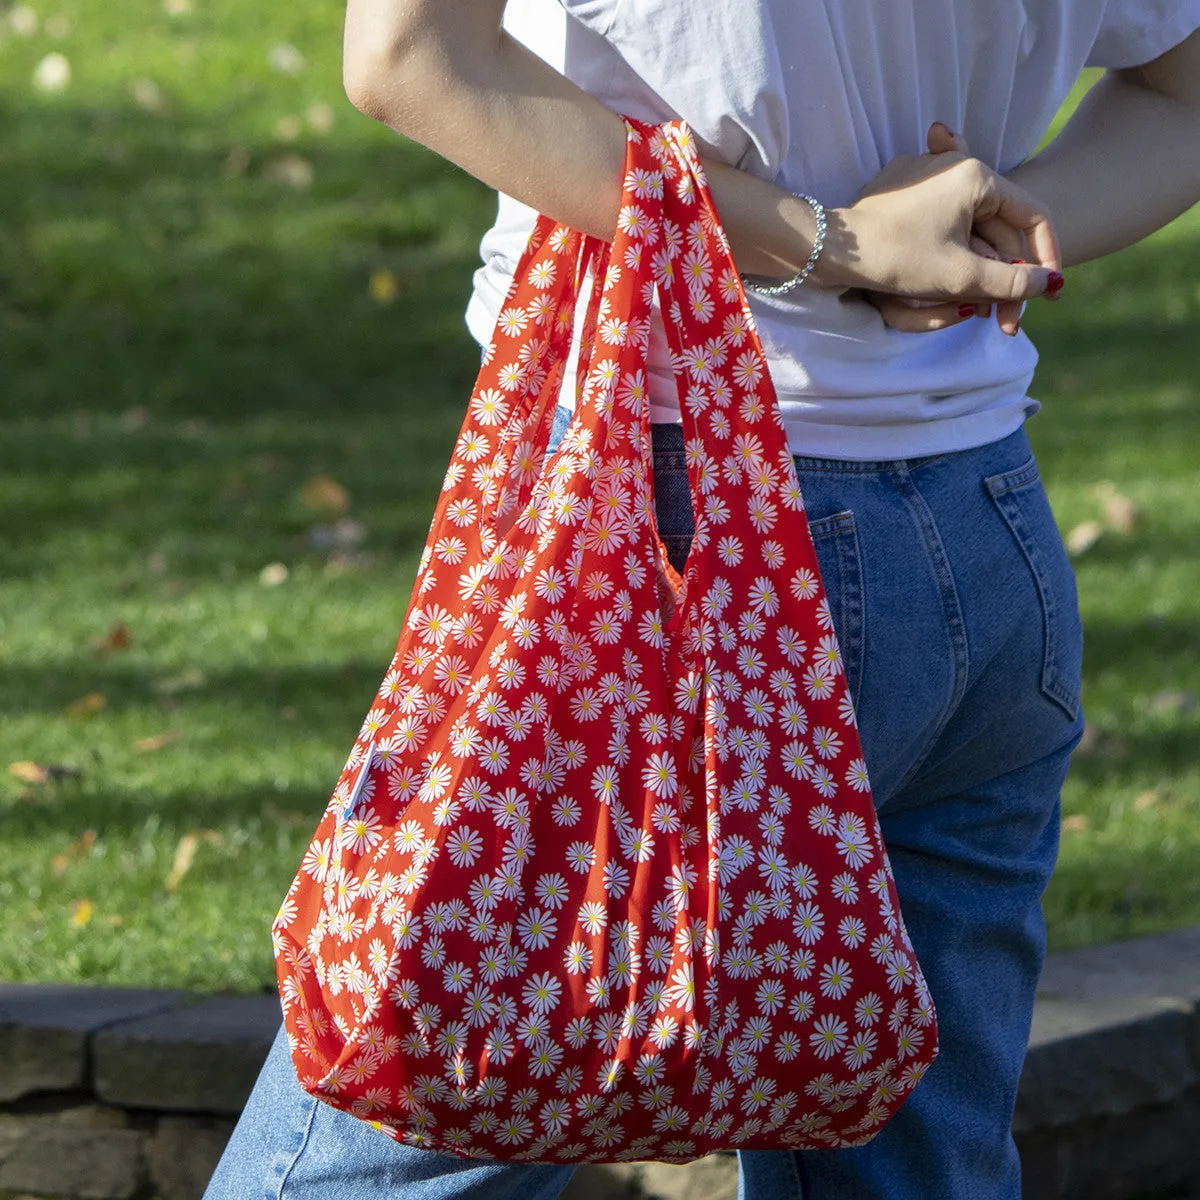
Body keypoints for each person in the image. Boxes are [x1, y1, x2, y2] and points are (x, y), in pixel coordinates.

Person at [205, 1, 1200, 1196]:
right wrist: (1001, 235)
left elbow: (411, 56)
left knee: (411, 1100)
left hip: (670, 547)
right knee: (916, 1165)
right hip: (985, 531)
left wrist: (840, 243)